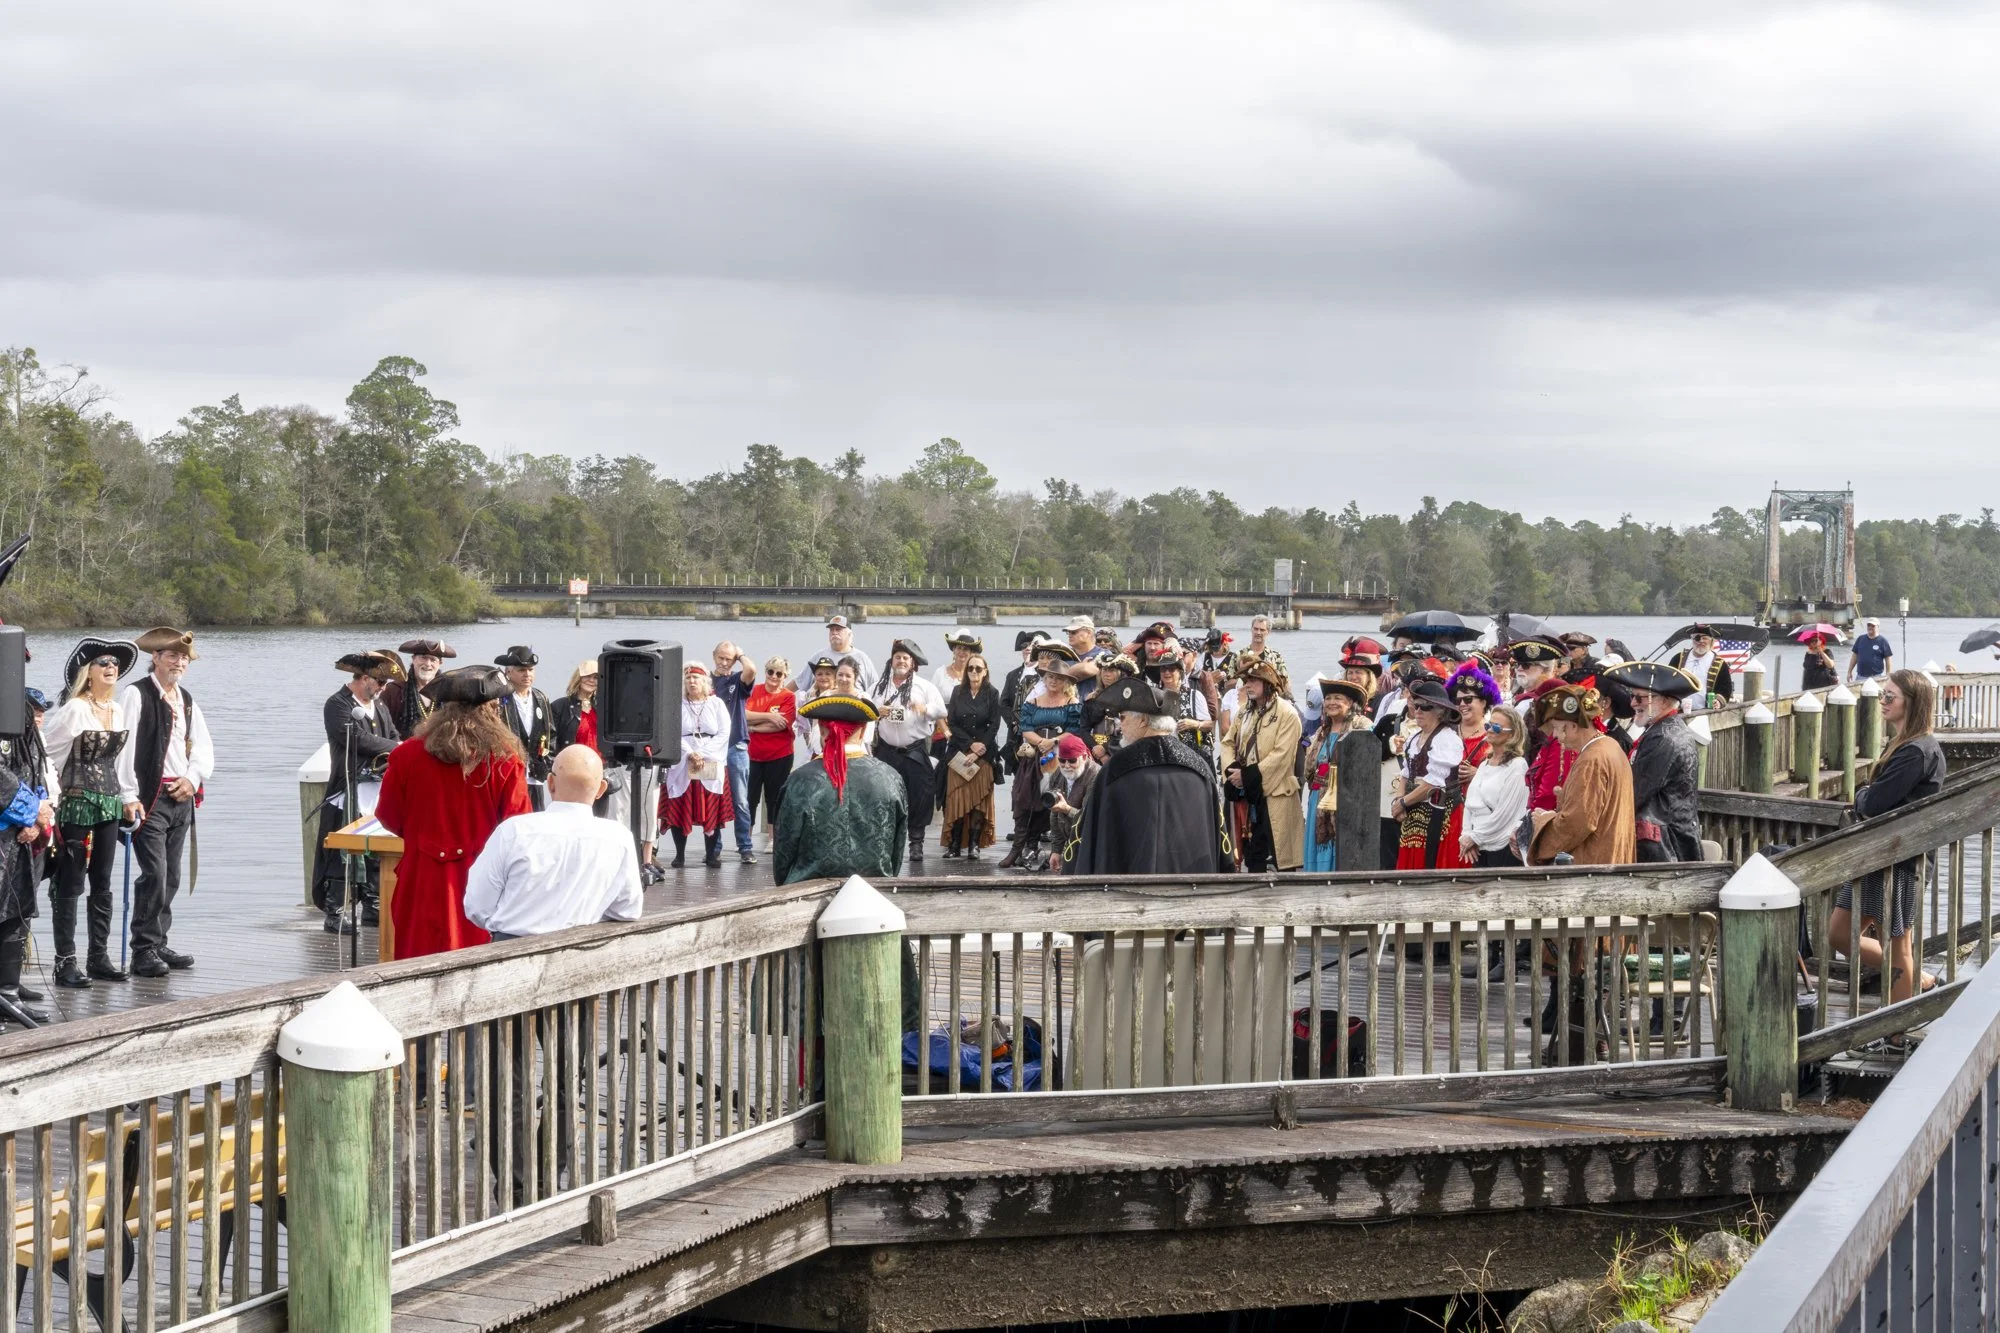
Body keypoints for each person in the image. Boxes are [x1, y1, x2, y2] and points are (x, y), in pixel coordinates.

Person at [374, 665, 534, 958]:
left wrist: (423, 837)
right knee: (477, 966)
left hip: (420, 880)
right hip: (483, 881)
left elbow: (388, 816)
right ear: (491, 711)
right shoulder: (504, 759)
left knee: (414, 965)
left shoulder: (407, 754)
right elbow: (518, 827)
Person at [1830, 669, 1945, 1007]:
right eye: (1883, 694)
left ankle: (1894, 1033)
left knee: (1899, 946)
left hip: (1901, 860)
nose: (1883, 701)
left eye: (1890, 696)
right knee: (1839, 934)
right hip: (1875, 856)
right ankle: (1919, 980)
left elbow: (1875, 802)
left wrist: (1863, 795)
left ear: (1912, 702)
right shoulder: (1904, 745)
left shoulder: (1917, 752)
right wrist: (1867, 796)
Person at [462, 745, 644, 941]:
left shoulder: (514, 831)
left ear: (550, 783)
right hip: (580, 954)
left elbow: (477, 906)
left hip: (511, 952)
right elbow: (628, 909)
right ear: (600, 789)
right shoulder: (619, 838)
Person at [43, 637, 141, 987]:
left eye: (115, 663)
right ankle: (65, 962)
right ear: (89, 672)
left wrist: (130, 796)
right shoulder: (74, 710)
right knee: (69, 882)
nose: (111, 667)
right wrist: (46, 801)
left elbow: (124, 762)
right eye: (103, 662)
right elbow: (48, 757)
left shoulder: (118, 710)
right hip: (76, 803)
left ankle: (98, 957)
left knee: (102, 881)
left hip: (110, 802)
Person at [117, 627, 214, 978]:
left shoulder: (186, 699)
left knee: (171, 875)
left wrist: (193, 778)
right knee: (155, 874)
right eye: (171, 655)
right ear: (155, 657)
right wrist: (128, 795)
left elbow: (202, 746)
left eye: (184, 658)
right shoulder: (135, 694)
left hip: (180, 796)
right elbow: (124, 748)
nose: (179, 662)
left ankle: (158, 941)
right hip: (149, 797)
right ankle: (142, 948)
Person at [1070, 678, 1231, 875]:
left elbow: (1088, 837)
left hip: (1126, 896)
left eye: (1123, 717)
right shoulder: (1199, 768)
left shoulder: (1115, 770)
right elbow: (1221, 840)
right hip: (1190, 894)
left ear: (1144, 720)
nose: (1120, 726)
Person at [774, 694, 907, 885]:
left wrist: (784, 888)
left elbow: (784, 849)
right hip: (874, 892)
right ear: (862, 731)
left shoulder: (800, 780)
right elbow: (898, 846)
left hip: (806, 893)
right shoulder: (891, 777)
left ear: (821, 729)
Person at [314, 650, 402, 933]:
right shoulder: (337, 704)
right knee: (343, 852)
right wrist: (397, 748)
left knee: (376, 848)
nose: (382, 688)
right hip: (348, 787)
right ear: (364, 678)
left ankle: (372, 906)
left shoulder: (380, 706)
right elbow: (359, 739)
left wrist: (397, 747)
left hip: (376, 788)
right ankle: (335, 911)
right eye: (379, 683)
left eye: (385, 684)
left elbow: (392, 736)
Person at [1606, 661, 1703, 863]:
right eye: (1633, 696)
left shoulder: (1663, 738)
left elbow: (1632, 793)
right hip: (1672, 839)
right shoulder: (1665, 729)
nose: (1633, 703)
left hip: (1667, 846)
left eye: (1640, 697)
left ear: (1666, 701)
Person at [1528, 687, 1636, 866]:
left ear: (1572, 725)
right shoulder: (1610, 746)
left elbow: (1577, 823)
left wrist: (1543, 823)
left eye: (1556, 727)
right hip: (1611, 861)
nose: (1554, 735)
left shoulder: (1591, 760)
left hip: (1594, 866)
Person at [0, 690, 56, 1029]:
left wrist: (39, 817)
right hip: (6, 828)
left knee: (15, 914)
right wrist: (31, 811)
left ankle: (8, 995)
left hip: (18, 834)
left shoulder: (18, 713)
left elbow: (34, 773)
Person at [1002, 646, 1086, 870]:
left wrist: (1054, 741)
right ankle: (1019, 848)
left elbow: (1074, 729)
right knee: (1023, 798)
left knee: (1052, 799)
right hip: (1035, 755)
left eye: (1058, 678)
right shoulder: (1035, 701)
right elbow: (1025, 727)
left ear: (1065, 681)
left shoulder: (1071, 703)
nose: (1053, 681)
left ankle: (1055, 849)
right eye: (1050, 677)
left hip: (1059, 757)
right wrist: (1039, 742)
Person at [1221, 660, 1304, 871]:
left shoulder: (1287, 714)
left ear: (1267, 683)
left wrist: (1248, 776)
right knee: (1252, 856)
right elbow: (1228, 742)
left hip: (1277, 794)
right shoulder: (1243, 712)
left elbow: (1282, 756)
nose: (1247, 685)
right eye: (1246, 681)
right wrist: (1232, 772)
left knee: (1282, 860)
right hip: (1249, 795)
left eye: (1253, 681)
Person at [871, 639, 948, 864]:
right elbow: (864, 708)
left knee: (920, 797)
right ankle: (885, 843)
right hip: (886, 751)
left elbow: (941, 710)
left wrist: (925, 708)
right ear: (891, 661)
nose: (901, 661)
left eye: (906, 658)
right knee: (884, 797)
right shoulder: (879, 686)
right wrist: (878, 710)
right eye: (898, 657)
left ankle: (916, 844)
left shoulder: (924, 686)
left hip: (913, 750)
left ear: (912, 663)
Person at [661, 664, 733, 868]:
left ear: (705, 681)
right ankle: (679, 855)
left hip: (710, 757)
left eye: (696, 678)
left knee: (709, 803)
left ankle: (711, 854)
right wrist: (690, 752)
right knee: (680, 803)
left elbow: (724, 732)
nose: (692, 681)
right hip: (685, 758)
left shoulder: (716, 703)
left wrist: (703, 753)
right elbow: (672, 732)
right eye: (688, 678)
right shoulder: (677, 705)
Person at [1390, 678, 1465, 870]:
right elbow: (1406, 774)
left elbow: (1433, 783)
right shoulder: (1413, 739)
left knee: (1434, 861)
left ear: (1440, 712)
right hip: (1414, 811)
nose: (1419, 711)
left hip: (1441, 812)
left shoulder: (1447, 739)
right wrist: (1398, 800)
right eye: (1416, 706)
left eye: (1426, 707)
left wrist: (1403, 802)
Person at [1438, 663, 1502, 869]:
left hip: (1477, 815)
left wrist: (1479, 774)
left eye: (1468, 699)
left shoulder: (1495, 736)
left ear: (1484, 702)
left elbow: (1506, 777)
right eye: (1458, 700)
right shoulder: (1445, 733)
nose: (1462, 705)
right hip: (1444, 811)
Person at [1303, 678, 1369, 872]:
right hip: (1319, 796)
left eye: (1338, 698)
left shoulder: (1361, 727)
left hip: (1345, 798)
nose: (1331, 702)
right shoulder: (1322, 731)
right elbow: (1312, 769)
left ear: (1350, 703)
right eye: (1328, 698)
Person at [703, 641, 759, 865]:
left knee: (741, 800)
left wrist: (741, 654)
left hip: (736, 746)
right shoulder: (706, 681)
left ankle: (745, 847)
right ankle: (713, 849)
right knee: (713, 798)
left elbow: (752, 670)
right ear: (714, 656)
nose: (724, 663)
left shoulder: (737, 680)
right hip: (711, 749)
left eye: (729, 659)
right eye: (721, 658)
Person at [941, 653, 1001, 858]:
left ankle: (974, 845)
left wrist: (980, 748)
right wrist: (970, 744)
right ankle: (954, 844)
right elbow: (953, 723)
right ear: (966, 671)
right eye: (970, 668)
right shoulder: (957, 692)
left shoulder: (992, 693)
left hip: (984, 754)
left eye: (978, 668)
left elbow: (994, 725)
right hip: (959, 751)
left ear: (985, 672)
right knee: (956, 798)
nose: (974, 672)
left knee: (978, 800)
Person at [1459, 704, 1529, 869]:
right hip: (1478, 846)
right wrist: (1466, 834)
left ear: (1512, 734)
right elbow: (1470, 804)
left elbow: (1505, 815)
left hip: (1501, 847)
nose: (1489, 730)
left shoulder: (1517, 766)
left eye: (1496, 727)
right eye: (1488, 725)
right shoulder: (1484, 764)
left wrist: (1474, 838)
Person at [745, 656, 797, 856]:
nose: (774, 677)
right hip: (752, 754)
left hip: (779, 754)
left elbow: (783, 723)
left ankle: (773, 839)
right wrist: (769, 716)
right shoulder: (754, 690)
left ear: (785, 676)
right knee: (749, 798)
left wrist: (753, 728)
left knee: (774, 798)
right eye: (770, 672)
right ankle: (745, 839)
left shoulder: (788, 697)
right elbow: (743, 713)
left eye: (779, 673)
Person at [495, 645, 555, 807]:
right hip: (508, 772)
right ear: (508, 672)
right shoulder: (499, 699)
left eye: (530, 670)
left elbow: (551, 733)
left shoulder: (540, 697)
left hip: (536, 775)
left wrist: (547, 761)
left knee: (536, 820)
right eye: (522, 670)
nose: (527, 674)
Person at [1044, 734, 1099, 871]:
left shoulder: (1096, 776)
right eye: (1062, 761)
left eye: (1072, 761)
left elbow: (1090, 818)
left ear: (1084, 757)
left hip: (1091, 842)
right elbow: (1054, 815)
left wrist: (1067, 809)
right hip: (1070, 839)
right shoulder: (1058, 773)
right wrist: (1056, 850)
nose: (1067, 766)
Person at [997, 630, 1046, 780]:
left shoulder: (1046, 674)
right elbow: (1003, 703)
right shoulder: (1013, 675)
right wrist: (1014, 722)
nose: (1027, 648)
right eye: (1024, 645)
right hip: (1016, 733)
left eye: (1032, 645)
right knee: (1018, 776)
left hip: (1039, 732)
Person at [382, 638, 455, 737]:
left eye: (433, 659)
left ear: (440, 663)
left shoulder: (449, 693)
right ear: (413, 659)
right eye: (423, 658)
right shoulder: (392, 691)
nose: (428, 664)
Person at [794, 615, 877, 694]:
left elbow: (876, 687)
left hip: (854, 705)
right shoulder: (819, 656)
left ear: (849, 634)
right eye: (831, 630)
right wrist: (781, 696)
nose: (834, 632)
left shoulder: (862, 658)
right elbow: (799, 682)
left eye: (838, 629)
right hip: (822, 705)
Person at [1669, 625, 1736, 709]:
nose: (1701, 641)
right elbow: (1668, 682)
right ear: (1692, 639)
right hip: (1679, 710)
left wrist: (1718, 701)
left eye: (1705, 638)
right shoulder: (1678, 659)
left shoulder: (1720, 664)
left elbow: (1725, 689)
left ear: (1711, 641)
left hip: (1704, 712)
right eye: (1697, 638)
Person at [1064, 616, 1106, 695]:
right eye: (1068, 632)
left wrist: (1064, 675)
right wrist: (1081, 667)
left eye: (1074, 632)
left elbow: (1086, 670)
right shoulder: (1065, 655)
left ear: (1089, 633)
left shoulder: (1104, 654)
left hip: (1091, 704)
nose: (1069, 635)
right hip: (1068, 705)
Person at [1847, 616, 1895, 685]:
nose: (1870, 627)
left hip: (1877, 677)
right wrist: (1849, 672)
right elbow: (1854, 656)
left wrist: (1888, 675)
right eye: (1868, 625)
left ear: (1878, 627)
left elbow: (1888, 659)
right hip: (1860, 676)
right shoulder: (1860, 639)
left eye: (1873, 625)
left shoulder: (1883, 641)